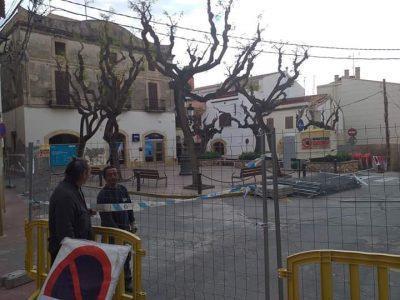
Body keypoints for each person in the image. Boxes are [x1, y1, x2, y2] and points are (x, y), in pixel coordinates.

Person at [97, 166, 136, 292]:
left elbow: (129, 206)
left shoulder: (122, 189)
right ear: (105, 178)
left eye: (115, 174)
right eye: (110, 175)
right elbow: (106, 218)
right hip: (111, 234)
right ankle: (109, 285)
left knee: (126, 257)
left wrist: (132, 222)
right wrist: (118, 233)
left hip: (125, 231)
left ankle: (127, 282)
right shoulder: (102, 195)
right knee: (112, 259)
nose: (113, 176)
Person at [48, 157, 93, 264]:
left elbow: (73, 213)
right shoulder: (66, 194)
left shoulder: (73, 188)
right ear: (83, 174)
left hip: (74, 250)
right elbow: (65, 228)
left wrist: (85, 213)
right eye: (89, 173)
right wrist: (75, 254)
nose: (89, 176)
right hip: (67, 255)